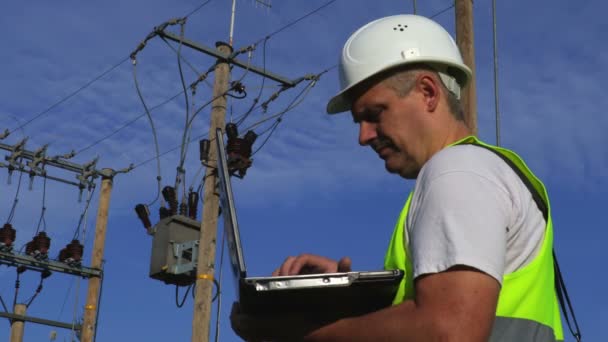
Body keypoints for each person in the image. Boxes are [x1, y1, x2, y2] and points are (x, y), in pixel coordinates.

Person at [231, 14, 564, 341]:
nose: (364, 136)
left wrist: (303, 333)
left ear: (428, 92)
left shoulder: (457, 172)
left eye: (375, 114)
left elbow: (449, 331)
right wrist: (354, 299)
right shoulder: (475, 172)